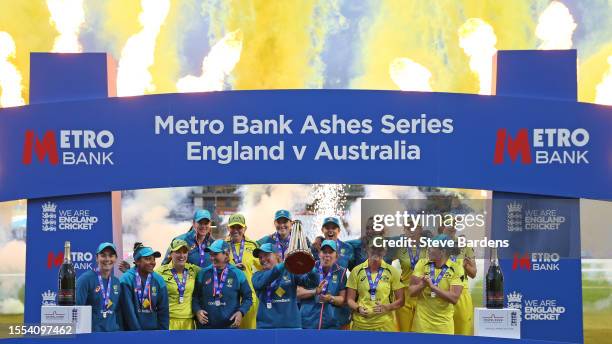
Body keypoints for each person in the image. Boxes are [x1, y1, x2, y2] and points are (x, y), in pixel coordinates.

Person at [252, 243, 319, 329]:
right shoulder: (257, 276)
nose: (262, 259)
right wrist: (285, 263)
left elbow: (312, 283)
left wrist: (310, 265)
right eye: (260, 257)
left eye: (266, 255)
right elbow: (262, 282)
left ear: (277, 256)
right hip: (266, 328)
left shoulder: (290, 272)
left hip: (291, 327)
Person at [409, 234, 464, 334]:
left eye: (432, 247)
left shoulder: (457, 268)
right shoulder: (422, 263)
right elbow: (411, 292)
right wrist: (422, 285)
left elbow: (454, 298)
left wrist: (432, 287)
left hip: (444, 327)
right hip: (421, 326)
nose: (428, 249)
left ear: (442, 252)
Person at [192, 240, 253, 329]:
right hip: (206, 328)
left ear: (226, 254)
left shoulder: (238, 274)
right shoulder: (203, 273)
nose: (212, 258)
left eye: (215, 254)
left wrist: (241, 312)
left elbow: (248, 297)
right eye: (211, 254)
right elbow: (195, 298)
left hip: (230, 328)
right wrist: (197, 311)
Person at [346, 244, 404, 332]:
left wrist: (387, 307)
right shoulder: (356, 271)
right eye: (373, 249)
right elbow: (350, 299)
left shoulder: (392, 271)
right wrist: (358, 308)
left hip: (384, 324)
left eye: (379, 249)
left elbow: (401, 301)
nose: (376, 252)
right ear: (367, 250)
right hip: (360, 324)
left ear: (384, 252)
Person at [309, 216, 353, 329]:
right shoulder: (315, 247)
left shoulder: (348, 248)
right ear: (322, 230)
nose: (330, 230)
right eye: (327, 227)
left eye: (334, 227)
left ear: (339, 231)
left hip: (339, 298)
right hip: (317, 303)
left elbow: (354, 269)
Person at [298, 240, 347, 329]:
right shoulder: (309, 268)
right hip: (308, 323)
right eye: (324, 252)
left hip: (330, 326)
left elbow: (342, 299)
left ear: (336, 256)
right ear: (319, 254)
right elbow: (298, 293)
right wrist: (315, 291)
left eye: (331, 252)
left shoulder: (341, 272)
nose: (327, 255)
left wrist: (331, 298)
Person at [120, 243, 169, 330]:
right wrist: (139, 334)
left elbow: (164, 311)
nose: (152, 262)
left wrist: (163, 334)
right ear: (137, 261)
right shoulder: (126, 279)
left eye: (153, 259)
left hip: (154, 334)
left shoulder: (159, 280)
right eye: (147, 259)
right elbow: (128, 312)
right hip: (131, 334)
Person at [225, 213, 261, 329]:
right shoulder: (222, 246)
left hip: (249, 298)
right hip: (228, 298)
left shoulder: (253, 245)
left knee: (250, 337)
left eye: (239, 227)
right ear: (228, 228)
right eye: (232, 227)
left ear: (245, 228)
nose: (235, 230)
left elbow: (264, 267)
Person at [155, 239, 201, 330]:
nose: (182, 255)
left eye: (185, 252)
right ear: (171, 253)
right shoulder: (160, 272)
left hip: (189, 322)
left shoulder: (194, 270)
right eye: (178, 252)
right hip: (168, 321)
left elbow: (211, 271)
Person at [76, 242, 121, 332]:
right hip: (92, 336)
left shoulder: (116, 282)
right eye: (103, 255)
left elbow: (117, 311)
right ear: (97, 258)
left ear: (115, 259)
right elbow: (77, 310)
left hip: (113, 334)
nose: (107, 259)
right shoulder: (85, 279)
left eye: (111, 255)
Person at [443, 223, 476, 335]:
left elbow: (473, 273)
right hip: (440, 295)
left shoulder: (465, 245)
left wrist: (465, 265)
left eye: (454, 224)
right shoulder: (435, 244)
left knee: (462, 334)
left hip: (461, 294)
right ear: (441, 224)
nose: (452, 226)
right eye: (449, 223)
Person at [395, 222, 428, 332]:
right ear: (404, 230)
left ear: (421, 229)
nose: (412, 231)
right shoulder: (398, 248)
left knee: (421, 332)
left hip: (422, 293)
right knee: (404, 332)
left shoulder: (428, 247)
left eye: (415, 228)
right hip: (404, 295)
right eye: (409, 228)